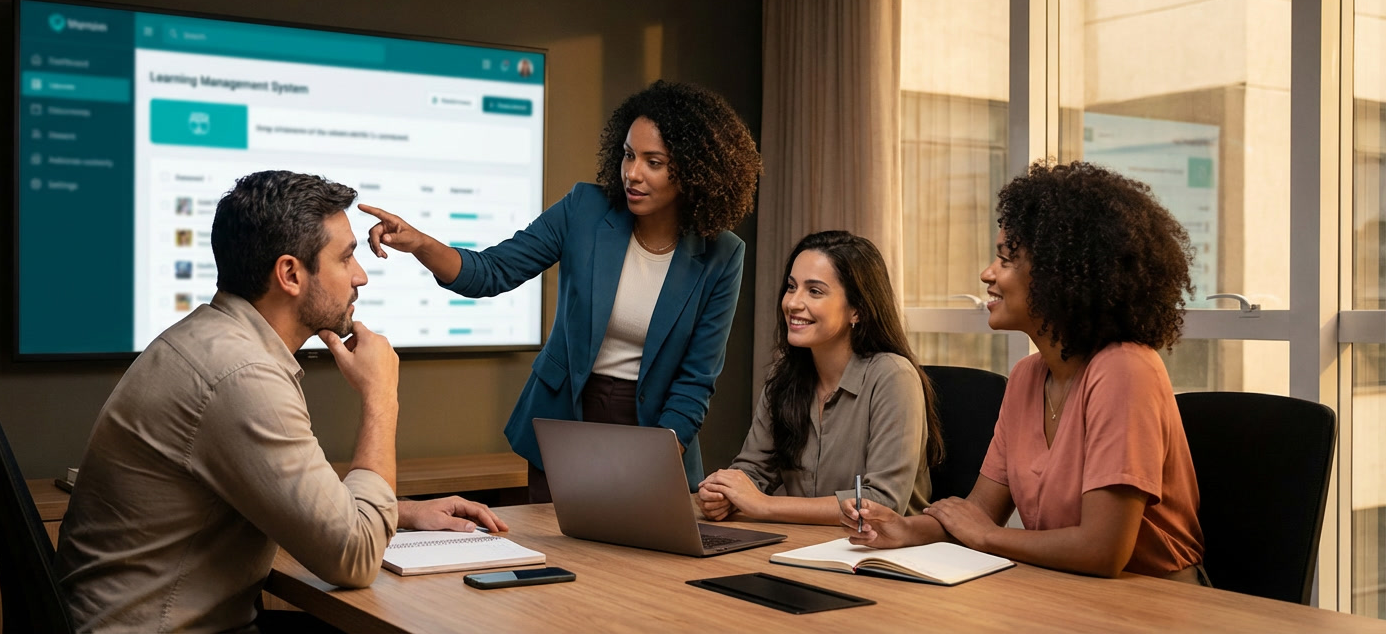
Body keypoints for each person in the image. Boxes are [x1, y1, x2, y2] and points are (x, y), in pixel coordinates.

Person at [53, 171, 506, 633]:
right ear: (290, 273)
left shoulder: (213, 340)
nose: (361, 276)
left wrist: (397, 510)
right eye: (346, 257)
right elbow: (357, 557)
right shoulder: (242, 375)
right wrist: (381, 396)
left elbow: (277, 490)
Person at [360, 80, 761, 500]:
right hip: (566, 415)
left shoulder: (722, 254)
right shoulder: (585, 209)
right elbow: (492, 270)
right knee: (558, 557)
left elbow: (696, 379)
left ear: (695, 171)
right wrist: (421, 243)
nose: (632, 173)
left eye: (653, 162)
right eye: (628, 155)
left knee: (636, 564)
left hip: (654, 431)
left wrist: (655, 459)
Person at [843, 161, 1208, 584]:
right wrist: (905, 529)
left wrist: (988, 537)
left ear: (1061, 275)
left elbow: (1103, 550)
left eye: (1006, 259)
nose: (987, 274)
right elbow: (979, 511)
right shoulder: (1026, 377)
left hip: (1158, 603)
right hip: (1065, 590)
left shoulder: (1125, 369)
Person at [697, 231, 942, 525]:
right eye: (791, 287)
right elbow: (754, 473)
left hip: (879, 558)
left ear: (857, 310)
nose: (792, 303)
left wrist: (765, 506)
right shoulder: (784, 374)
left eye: (814, 291)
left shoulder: (893, 376)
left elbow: (882, 502)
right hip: (804, 548)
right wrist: (724, 494)